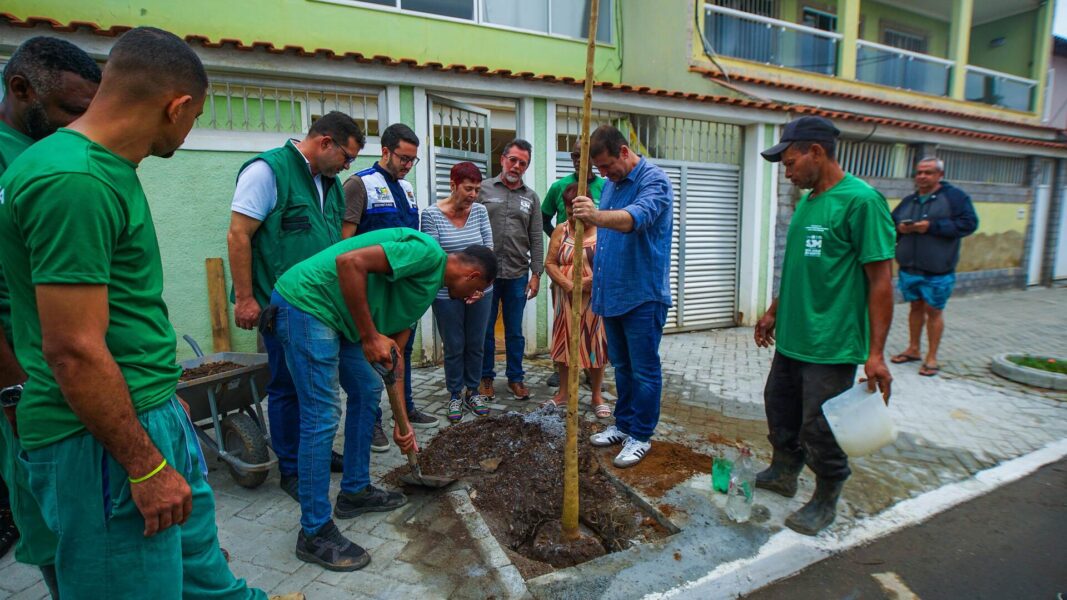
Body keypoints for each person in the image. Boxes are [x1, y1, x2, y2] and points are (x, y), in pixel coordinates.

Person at [0, 27, 297, 599]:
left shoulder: (99, 169)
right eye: (196, 117)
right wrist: (144, 464)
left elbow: (119, 313)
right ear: (177, 106)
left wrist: (158, 394)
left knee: (201, 576)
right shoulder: (74, 181)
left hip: (145, 410)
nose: (190, 132)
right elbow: (74, 348)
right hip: (100, 448)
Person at [266, 229, 495, 570]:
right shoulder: (427, 253)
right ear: (472, 275)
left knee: (368, 388)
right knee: (323, 414)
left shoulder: (427, 288)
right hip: (307, 304)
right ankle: (314, 531)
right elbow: (350, 262)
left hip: (338, 319)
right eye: (476, 291)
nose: (471, 298)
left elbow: (393, 360)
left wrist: (403, 426)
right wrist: (369, 334)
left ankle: (355, 491)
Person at [754, 116, 894, 536]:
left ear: (816, 152)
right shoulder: (810, 201)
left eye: (790, 160)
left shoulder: (862, 202)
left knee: (821, 427)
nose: (786, 169)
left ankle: (826, 496)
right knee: (779, 409)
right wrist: (774, 310)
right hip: (793, 337)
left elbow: (882, 281)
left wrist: (876, 354)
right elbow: (799, 267)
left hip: (832, 344)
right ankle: (783, 472)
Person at [0, 35, 100, 597]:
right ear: (20, 89)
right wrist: (13, 389)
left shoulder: (60, 152)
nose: (78, 125)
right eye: (69, 111)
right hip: (24, 370)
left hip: (74, 361)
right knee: (43, 499)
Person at [227, 111, 365, 502]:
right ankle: (292, 467)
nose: (347, 166)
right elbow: (239, 235)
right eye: (347, 157)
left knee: (318, 388)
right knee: (287, 386)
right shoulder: (267, 172)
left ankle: (314, 454)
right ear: (325, 143)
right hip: (281, 307)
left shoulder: (331, 184)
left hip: (322, 309)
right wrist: (245, 297)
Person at [572, 125, 673, 468]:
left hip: (642, 294)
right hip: (611, 293)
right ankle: (624, 424)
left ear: (625, 152)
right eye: (598, 169)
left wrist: (595, 216)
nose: (604, 174)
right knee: (624, 368)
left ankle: (641, 435)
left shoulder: (654, 181)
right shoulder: (612, 185)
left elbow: (635, 219)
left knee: (644, 370)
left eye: (607, 166)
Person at [342, 122, 439, 451]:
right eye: (403, 158)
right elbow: (345, 243)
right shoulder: (359, 185)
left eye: (413, 160)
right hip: (371, 293)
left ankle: (406, 409)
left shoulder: (408, 189)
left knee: (403, 354)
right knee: (372, 359)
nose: (408, 165)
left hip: (400, 292)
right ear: (385, 151)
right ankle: (371, 424)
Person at [890, 157, 978, 377]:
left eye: (928, 172)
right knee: (915, 308)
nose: (922, 176)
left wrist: (932, 226)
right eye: (919, 172)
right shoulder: (910, 200)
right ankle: (913, 349)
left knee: (934, 311)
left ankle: (932, 357)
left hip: (938, 269)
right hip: (909, 267)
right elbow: (890, 222)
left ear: (940, 175)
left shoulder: (955, 198)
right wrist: (900, 228)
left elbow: (969, 224)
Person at [422, 162, 494, 422]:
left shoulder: (480, 212)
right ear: (453, 185)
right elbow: (435, 257)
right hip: (446, 293)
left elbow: (488, 252)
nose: (473, 195)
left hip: (479, 292)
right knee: (454, 344)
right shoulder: (431, 214)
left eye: (477, 189)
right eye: (468, 189)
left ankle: (472, 391)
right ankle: (454, 393)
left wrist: (480, 287)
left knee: (476, 343)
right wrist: (461, 281)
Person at [478, 138, 544, 401]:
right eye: (513, 160)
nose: (517, 166)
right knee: (485, 329)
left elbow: (536, 237)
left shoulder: (531, 198)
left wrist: (537, 274)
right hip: (486, 276)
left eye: (523, 163)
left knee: (515, 331)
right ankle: (485, 377)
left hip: (518, 274)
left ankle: (516, 379)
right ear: (503, 159)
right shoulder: (482, 190)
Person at [542, 140, 606, 389]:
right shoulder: (559, 186)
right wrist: (562, 243)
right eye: (575, 155)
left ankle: (593, 377)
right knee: (564, 326)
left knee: (594, 331)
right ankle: (563, 376)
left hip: (593, 279)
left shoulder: (606, 187)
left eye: (585, 155)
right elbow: (544, 217)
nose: (579, 160)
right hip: (564, 273)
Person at [544, 183, 609, 418]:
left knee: (595, 343)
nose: (573, 218)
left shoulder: (603, 229)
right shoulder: (561, 230)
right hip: (566, 296)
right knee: (564, 342)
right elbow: (550, 263)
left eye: (577, 213)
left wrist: (591, 282)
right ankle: (563, 394)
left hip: (594, 298)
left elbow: (611, 262)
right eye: (569, 213)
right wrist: (570, 285)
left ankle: (596, 396)